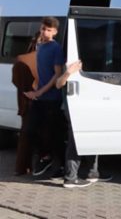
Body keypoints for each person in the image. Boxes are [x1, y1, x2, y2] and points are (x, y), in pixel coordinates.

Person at [56, 61, 112, 188]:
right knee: (75, 141)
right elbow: (59, 84)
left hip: (88, 105)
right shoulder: (71, 62)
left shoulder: (88, 59)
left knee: (91, 137)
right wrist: (69, 72)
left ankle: (93, 172)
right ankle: (71, 178)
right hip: (74, 107)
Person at [24, 17, 66, 177]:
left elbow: (57, 75)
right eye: (43, 29)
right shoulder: (40, 46)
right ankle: (45, 156)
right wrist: (35, 87)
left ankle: (60, 165)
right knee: (30, 130)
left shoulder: (56, 48)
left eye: (48, 30)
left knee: (55, 134)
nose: (44, 32)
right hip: (40, 97)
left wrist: (40, 92)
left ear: (55, 32)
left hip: (52, 98)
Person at [11, 34, 39, 175]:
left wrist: (25, 90)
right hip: (40, 102)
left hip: (24, 103)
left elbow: (15, 81)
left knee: (25, 136)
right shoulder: (42, 59)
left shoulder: (21, 59)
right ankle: (38, 167)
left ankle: (22, 168)